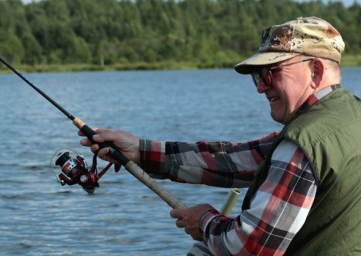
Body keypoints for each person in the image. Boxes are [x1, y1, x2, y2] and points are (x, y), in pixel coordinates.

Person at [80, 16, 361, 255]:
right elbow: (237, 160)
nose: (261, 88)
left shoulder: (304, 142)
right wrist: (139, 151)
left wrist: (203, 221)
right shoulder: (349, 116)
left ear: (316, 70)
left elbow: (250, 248)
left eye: (271, 73)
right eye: (258, 76)